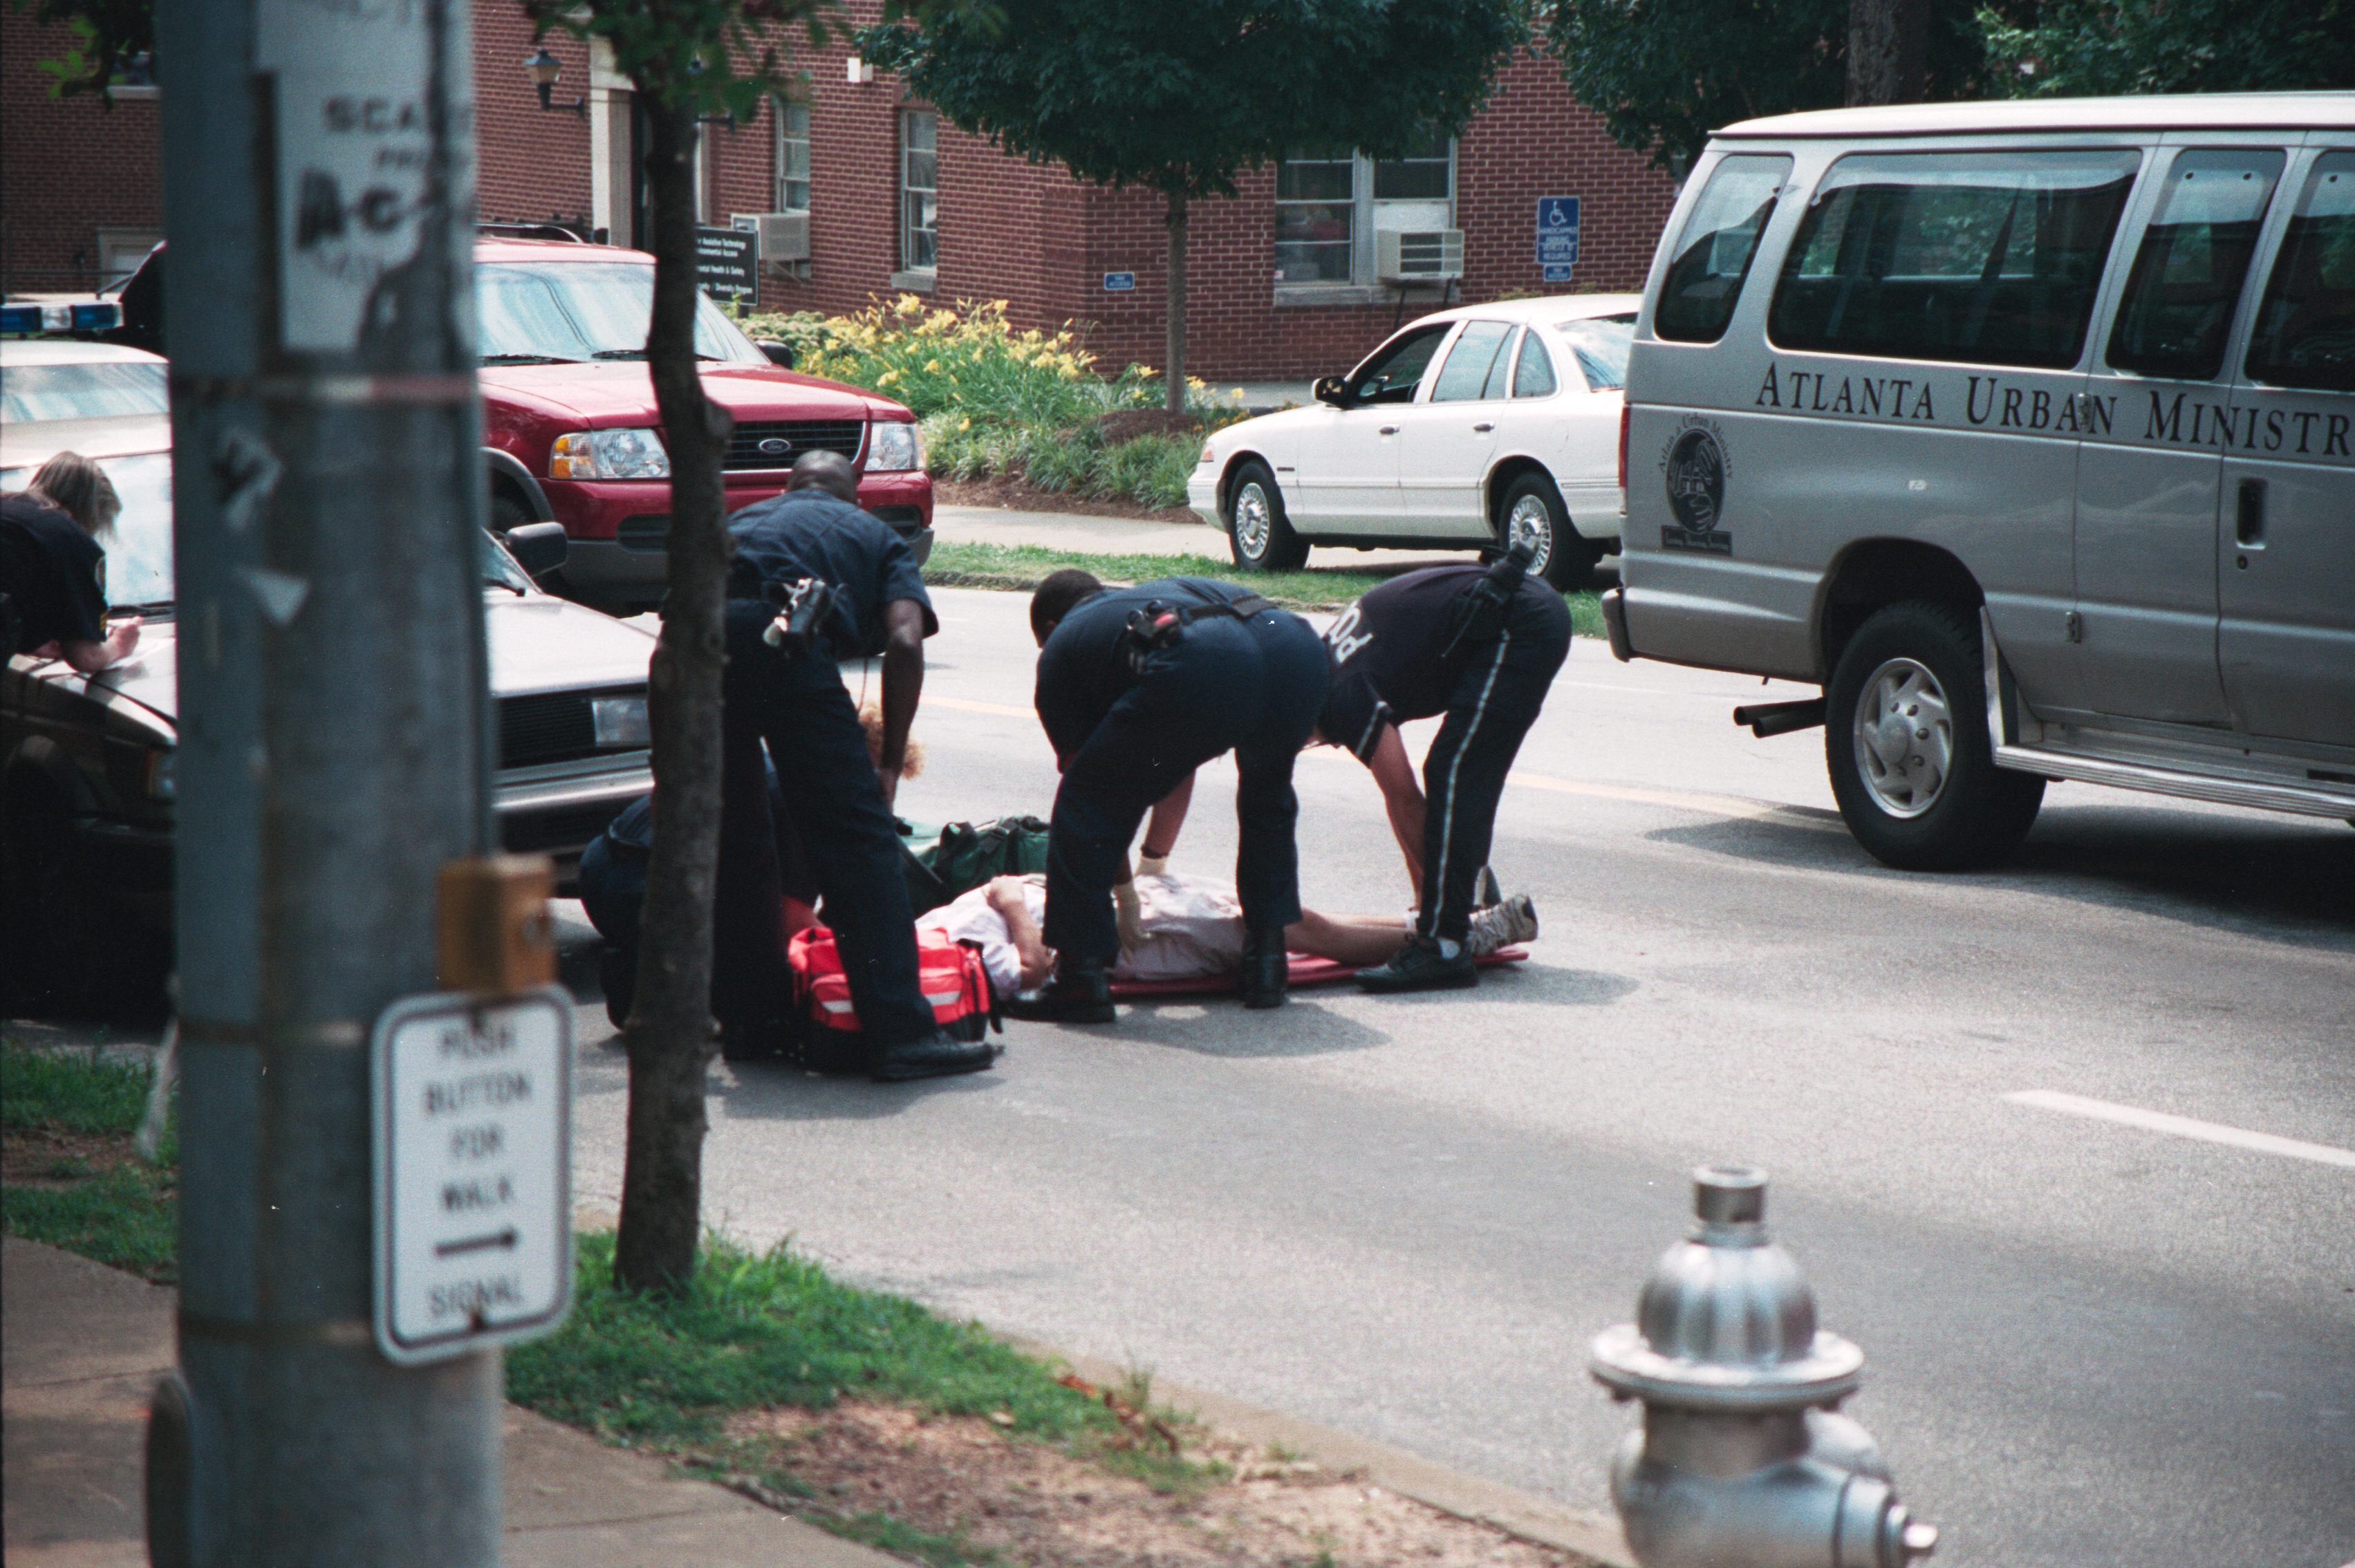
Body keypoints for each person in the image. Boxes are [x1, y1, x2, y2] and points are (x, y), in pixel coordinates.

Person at [711, 449, 993, 1081]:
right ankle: (901, 1035)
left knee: (738, 837)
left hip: (695, 644)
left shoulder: (740, 521)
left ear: (789, 488)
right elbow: (903, 641)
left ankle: (750, 1024)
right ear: (854, 496)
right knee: (857, 840)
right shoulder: (874, 535)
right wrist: (889, 763)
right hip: (786, 645)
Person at [1018, 569, 1328, 1022]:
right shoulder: (1150, 599)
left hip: (1210, 658)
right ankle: (1267, 963)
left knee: (1082, 803)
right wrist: (1150, 866)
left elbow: (1095, 803)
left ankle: (1080, 979)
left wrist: (1123, 893)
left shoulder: (1063, 647)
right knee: (1268, 796)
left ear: (1048, 628)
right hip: (1295, 649)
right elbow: (1171, 760)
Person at [1318, 552, 1565, 991]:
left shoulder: (1339, 697)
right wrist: (1424, 900)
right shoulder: (1323, 661)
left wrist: (1427, 907)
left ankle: (1446, 944)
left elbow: (1403, 798)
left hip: (1519, 622)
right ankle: (1465, 904)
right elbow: (1402, 805)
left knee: (1455, 771)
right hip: (1510, 608)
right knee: (1453, 769)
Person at [924, 870, 1538, 1000]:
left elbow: (1001, 890)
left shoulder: (925, 932)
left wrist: (1008, 896)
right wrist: (1010, 902)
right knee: (1283, 928)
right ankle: (1470, 935)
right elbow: (1029, 969)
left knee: (1283, 909)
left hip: (1107, 903)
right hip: (1126, 940)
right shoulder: (945, 969)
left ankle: (1445, 923)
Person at [1, 452, 140, 671]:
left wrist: (33, 641)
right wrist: (120, 645)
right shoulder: (67, 537)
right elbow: (87, 658)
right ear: (90, 515)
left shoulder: (11, 514)